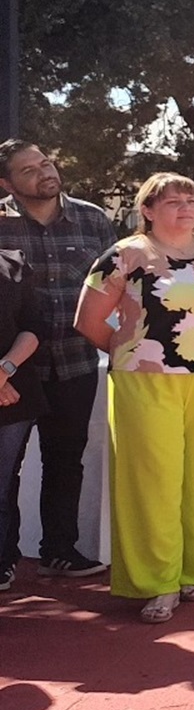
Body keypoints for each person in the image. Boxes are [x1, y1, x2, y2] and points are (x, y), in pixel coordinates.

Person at [74, 173, 194, 623]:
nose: (185, 207)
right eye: (172, 201)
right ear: (148, 211)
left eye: (190, 200)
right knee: (153, 477)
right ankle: (158, 582)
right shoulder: (127, 254)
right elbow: (89, 320)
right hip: (145, 378)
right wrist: (132, 349)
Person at [0, 140, 114, 577]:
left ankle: (60, 548)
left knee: (66, 457)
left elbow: (115, 288)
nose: (44, 173)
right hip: (12, 374)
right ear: (7, 183)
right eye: (28, 170)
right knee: (5, 468)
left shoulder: (93, 219)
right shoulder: (1, 225)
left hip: (74, 363)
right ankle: (3, 560)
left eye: (46, 162)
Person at [0, 249, 46, 592]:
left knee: (2, 485)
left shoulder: (14, 263)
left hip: (13, 394)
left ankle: (2, 562)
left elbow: (33, 327)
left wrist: (4, 371)